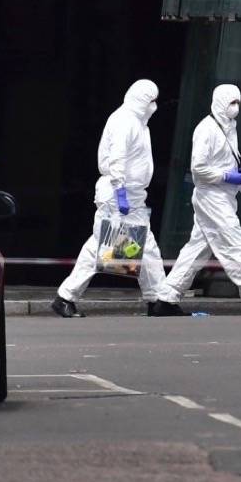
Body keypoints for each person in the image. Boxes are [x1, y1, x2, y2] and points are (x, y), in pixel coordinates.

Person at [152, 85, 241, 317]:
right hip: (211, 197)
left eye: (238, 103)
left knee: (196, 250)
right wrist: (226, 176)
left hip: (223, 196)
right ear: (221, 102)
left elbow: (230, 167)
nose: (236, 108)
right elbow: (199, 168)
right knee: (236, 245)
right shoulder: (206, 129)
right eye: (232, 103)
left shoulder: (229, 128)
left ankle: (166, 297)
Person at [52, 80, 168, 318]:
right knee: (104, 248)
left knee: (144, 247)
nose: (154, 106)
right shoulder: (125, 121)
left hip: (131, 196)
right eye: (151, 100)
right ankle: (66, 297)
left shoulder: (137, 122)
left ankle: (158, 299)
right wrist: (121, 191)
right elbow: (117, 159)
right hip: (119, 196)